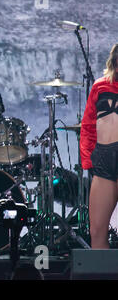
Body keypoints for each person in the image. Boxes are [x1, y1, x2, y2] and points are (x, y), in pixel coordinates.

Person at [80, 43, 118, 249]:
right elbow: (87, 126)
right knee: (97, 231)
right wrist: (88, 160)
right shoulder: (100, 86)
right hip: (104, 160)